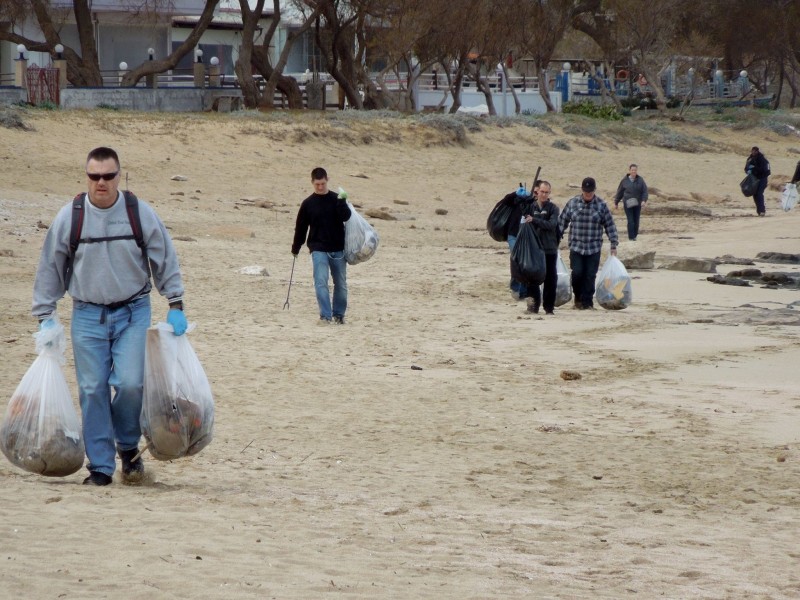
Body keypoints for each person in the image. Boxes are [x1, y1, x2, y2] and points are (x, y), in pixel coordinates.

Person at [32, 146, 187, 486]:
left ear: (119, 175)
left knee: (131, 384)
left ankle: (128, 447)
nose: (101, 182)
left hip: (133, 310)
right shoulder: (70, 217)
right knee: (92, 390)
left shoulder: (138, 213)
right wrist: (45, 315)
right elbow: (50, 266)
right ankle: (101, 466)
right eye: (94, 176)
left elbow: (164, 255)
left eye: (108, 176)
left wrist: (175, 302)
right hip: (87, 315)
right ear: (87, 176)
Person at [291, 167, 352, 324]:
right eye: (317, 184)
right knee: (320, 282)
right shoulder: (307, 204)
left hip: (338, 248)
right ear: (312, 182)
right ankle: (325, 316)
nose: (320, 187)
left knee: (341, 284)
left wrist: (342, 202)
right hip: (318, 248)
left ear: (327, 180)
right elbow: (301, 228)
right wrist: (296, 247)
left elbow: (346, 217)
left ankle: (338, 315)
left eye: (323, 183)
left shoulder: (336, 198)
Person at [558, 177, 619, 310]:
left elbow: (610, 225)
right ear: (582, 190)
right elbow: (562, 222)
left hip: (594, 246)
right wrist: (555, 238)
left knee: (590, 275)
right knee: (577, 273)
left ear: (594, 190)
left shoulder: (601, 205)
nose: (588, 195)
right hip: (576, 246)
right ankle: (578, 299)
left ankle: (588, 302)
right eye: (586, 192)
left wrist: (613, 244)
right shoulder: (572, 203)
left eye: (590, 192)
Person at [523, 180, 560, 315]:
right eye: (542, 192)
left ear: (549, 193)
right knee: (531, 279)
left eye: (546, 192)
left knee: (551, 279)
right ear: (537, 192)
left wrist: (535, 220)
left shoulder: (553, 208)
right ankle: (533, 306)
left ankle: (549, 308)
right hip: (534, 250)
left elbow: (551, 225)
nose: (544, 195)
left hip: (549, 249)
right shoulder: (530, 207)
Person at [501, 181, 537, 300]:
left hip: (527, 237)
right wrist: (516, 194)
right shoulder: (517, 200)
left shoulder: (537, 204)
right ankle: (515, 287)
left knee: (526, 263)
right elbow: (506, 201)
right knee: (517, 259)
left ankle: (524, 290)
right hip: (513, 235)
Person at [613, 163, 649, 241]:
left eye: (635, 170)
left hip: (637, 203)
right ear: (629, 171)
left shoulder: (640, 180)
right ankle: (631, 237)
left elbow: (645, 191)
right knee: (630, 221)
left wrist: (644, 200)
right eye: (632, 170)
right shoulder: (624, 180)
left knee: (636, 221)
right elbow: (620, 192)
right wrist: (616, 202)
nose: (634, 172)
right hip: (627, 203)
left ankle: (635, 236)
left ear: (637, 171)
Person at [744, 146, 770, 216]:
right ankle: (759, 211)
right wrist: (748, 170)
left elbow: (765, 170)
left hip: (762, 179)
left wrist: (754, 168)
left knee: (759, 193)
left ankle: (762, 211)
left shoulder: (762, 160)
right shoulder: (750, 159)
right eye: (752, 151)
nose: (753, 152)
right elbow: (746, 168)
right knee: (755, 194)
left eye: (755, 151)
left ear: (758, 151)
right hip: (753, 179)